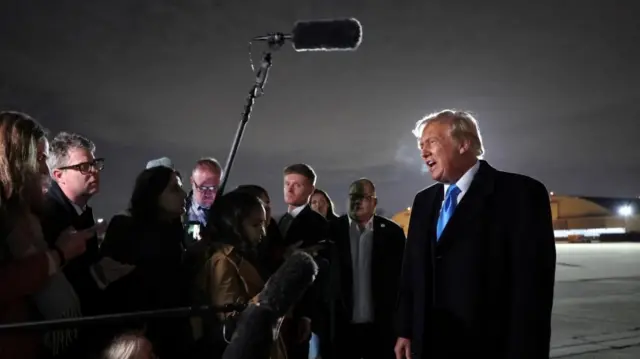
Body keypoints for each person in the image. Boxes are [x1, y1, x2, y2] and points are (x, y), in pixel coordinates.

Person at [394, 110, 556, 359]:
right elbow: (411, 273)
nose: (423, 152)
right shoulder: (423, 201)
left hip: (489, 346)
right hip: (430, 345)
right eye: (420, 145)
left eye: (432, 142)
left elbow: (532, 290)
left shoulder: (520, 195)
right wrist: (405, 330)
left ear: (463, 143)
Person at [332, 178, 405, 359]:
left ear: (374, 202)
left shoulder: (392, 233)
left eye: (362, 197)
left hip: (382, 329)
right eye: (352, 196)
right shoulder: (331, 231)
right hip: (339, 330)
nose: (356, 201)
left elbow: (403, 281)